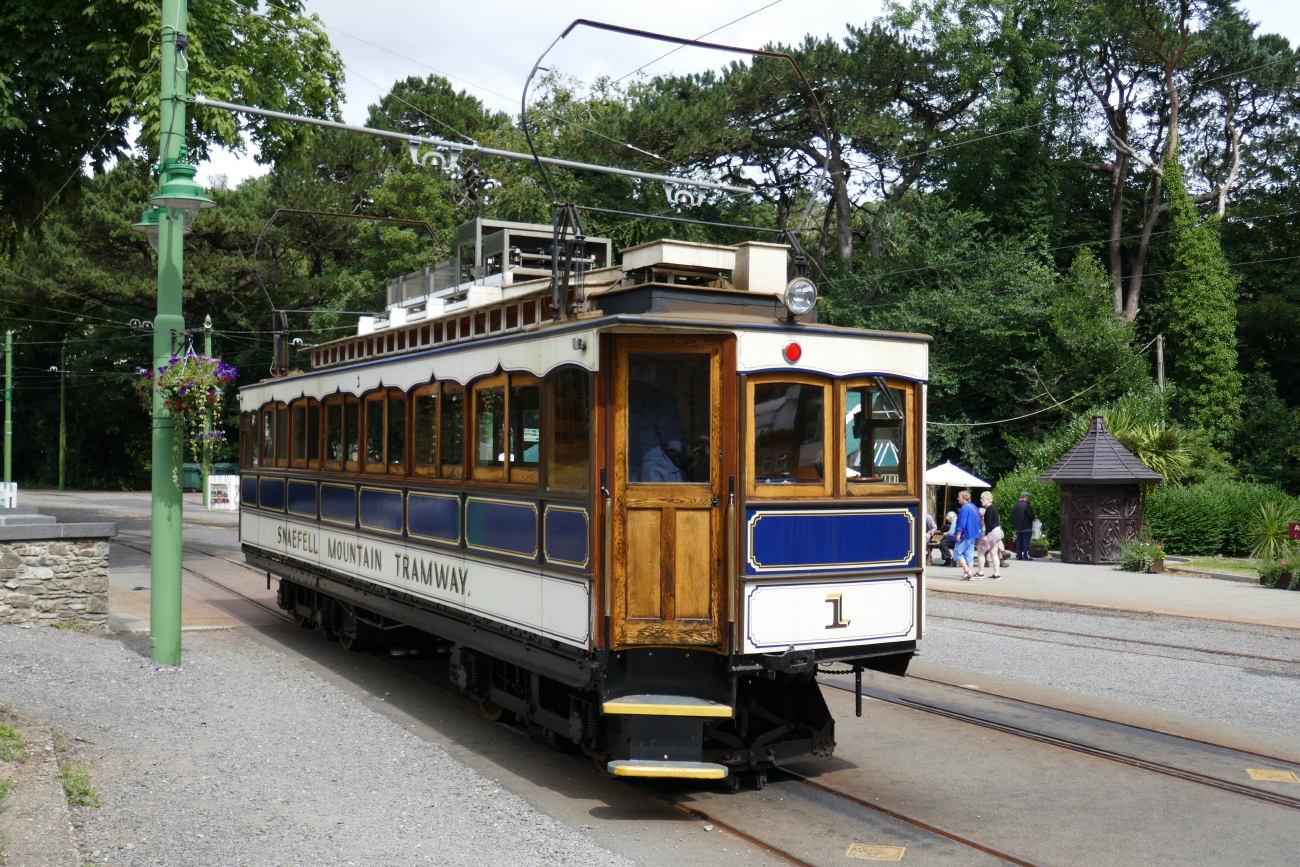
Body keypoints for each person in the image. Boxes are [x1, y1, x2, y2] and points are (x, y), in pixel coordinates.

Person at [952, 490, 982, 579]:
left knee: (957, 552)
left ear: (964, 498)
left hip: (966, 534)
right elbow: (978, 520)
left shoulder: (964, 508)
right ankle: (970, 574)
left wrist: (958, 533)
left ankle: (967, 570)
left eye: (959, 497)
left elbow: (962, 522)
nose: (958, 499)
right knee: (969, 554)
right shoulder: (974, 507)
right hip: (974, 534)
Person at [976, 491, 1004, 579]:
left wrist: (985, 536)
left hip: (991, 533)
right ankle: (997, 573)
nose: (981, 501)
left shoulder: (988, 509)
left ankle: (980, 572)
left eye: (983, 499)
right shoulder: (994, 508)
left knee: (980, 552)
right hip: (998, 532)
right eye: (981, 499)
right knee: (994, 554)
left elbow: (988, 524)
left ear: (988, 500)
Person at [1012, 492, 1036, 560]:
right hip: (1026, 526)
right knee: (1026, 542)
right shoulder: (1026, 505)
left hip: (1018, 527)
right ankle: (1026, 556)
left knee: (1019, 541)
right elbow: (1031, 516)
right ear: (1026, 497)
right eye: (1028, 497)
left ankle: (1019, 555)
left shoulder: (1016, 505)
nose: (1028, 498)